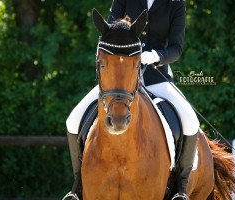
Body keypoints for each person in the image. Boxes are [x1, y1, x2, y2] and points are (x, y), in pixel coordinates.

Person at [63, 0, 200, 199]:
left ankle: (180, 188)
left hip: (155, 76)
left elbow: (176, 48)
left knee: (190, 121)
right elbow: (107, 34)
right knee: (73, 120)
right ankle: (77, 188)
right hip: (118, 77)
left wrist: (155, 56)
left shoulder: (175, 3)